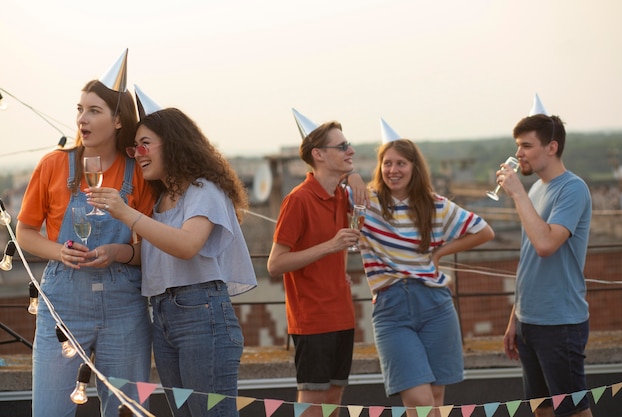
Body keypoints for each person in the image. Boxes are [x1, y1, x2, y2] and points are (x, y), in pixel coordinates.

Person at [88, 86, 257, 417]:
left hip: (201, 313)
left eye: (145, 144)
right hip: (164, 314)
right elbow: (156, 252)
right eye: (136, 147)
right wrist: (118, 252)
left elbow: (186, 245)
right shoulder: (160, 198)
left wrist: (127, 214)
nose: (138, 153)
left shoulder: (203, 189)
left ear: (174, 144)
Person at [16, 50, 154, 417]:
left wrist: (120, 252)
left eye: (94, 110)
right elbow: (25, 233)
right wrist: (59, 252)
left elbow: (153, 248)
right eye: (80, 109)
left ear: (119, 119)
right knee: (49, 410)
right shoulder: (53, 165)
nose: (82, 119)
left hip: (125, 306)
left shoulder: (138, 172)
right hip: (63, 305)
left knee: (128, 410)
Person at [358, 120, 494, 417]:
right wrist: (354, 178)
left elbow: (484, 231)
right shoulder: (367, 203)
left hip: (436, 305)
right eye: (387, 163)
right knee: (419, 402)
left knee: (435, 398)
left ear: (414, 167)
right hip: (392, 308)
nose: (393, 170)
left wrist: (440, 253)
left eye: (401, 163)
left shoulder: (436, 205)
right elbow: (332, 188)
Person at [501, 98, 593, 417]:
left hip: (560, 322)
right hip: (530, 321)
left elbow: (545, 244)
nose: (518, 154)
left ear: (551, 147)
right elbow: (530, 259)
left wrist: (517, 193)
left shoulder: (573, 189)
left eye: (526, 145)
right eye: (517, 146)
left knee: (572, 412)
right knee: (541, 411)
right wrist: (516, 317)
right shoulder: (538, 189)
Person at [266, 109, 362, 417]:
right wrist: (330, 246)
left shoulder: (340, 195)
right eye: (342, 146)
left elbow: (373, 203)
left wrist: (353, 174)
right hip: (312, 318)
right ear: (318, 154)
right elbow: (275, 264)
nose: (351, 150)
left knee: (334, 400)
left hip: (342, 314)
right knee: (312, 403)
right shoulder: (298, 199)